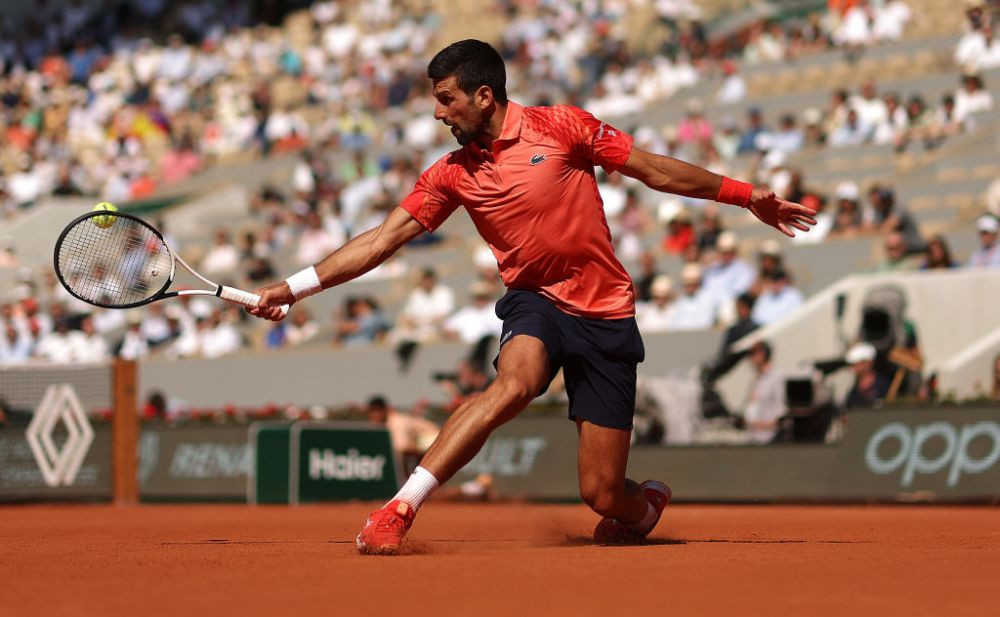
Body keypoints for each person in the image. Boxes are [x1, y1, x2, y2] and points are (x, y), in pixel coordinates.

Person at [248, 40, 815, 554]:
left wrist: (745, 197)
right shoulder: (450, 174)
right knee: (515, 383)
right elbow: (381, 239)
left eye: (447, 100)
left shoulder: (563, 127)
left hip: (606, 310)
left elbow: (654, 171)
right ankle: (399, 509)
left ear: (484, 95)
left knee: (602, 496)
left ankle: (641, 508)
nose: (438, 112)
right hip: (534, 299)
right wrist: (293, 289)